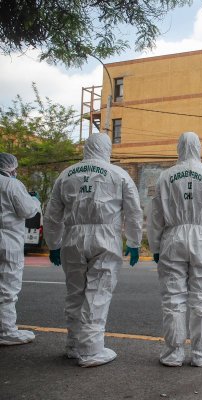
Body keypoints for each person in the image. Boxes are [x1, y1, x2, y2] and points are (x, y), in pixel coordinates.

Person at [45, 133, 143, 367]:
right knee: (98, 292)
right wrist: (134, 242)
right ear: (107, 148)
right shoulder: (119, 175)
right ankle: (91, 350)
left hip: (72, 238)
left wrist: (53, 244)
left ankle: (73, 344)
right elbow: (133, 211)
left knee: (75, 292)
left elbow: (52, 215)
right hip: (105, 237)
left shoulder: (66, 174)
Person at [147, 132, 202, 367]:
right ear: (199, 147)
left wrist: (155, 245)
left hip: (173, 237)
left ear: (179, 148)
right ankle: (201, 353)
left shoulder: (166, 177)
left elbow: (155, 215)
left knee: (173, 297)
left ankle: (173, 353)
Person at [0, 153, 41, 346]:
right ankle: (6, 331)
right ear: (11, 168)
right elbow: (26, 210)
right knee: (7, 288)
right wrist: (35, 201)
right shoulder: (12, 185)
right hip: (7, 241)